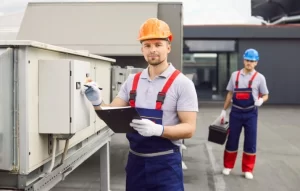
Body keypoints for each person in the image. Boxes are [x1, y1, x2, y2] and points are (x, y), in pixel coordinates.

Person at [84, 18, 198, 190]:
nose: (153, 50)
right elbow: (111, 113)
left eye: (158, 44)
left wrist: (158, 130)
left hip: (166, 166)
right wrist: (97, 102)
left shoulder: (182, 84)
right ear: (142, 49)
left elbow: (189, 129)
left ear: (168, 47)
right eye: (147, 45)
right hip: (136, 163)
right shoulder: (132, 81)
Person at [216, 48, 269, 180]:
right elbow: (229, 93)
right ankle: (228, 166)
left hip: (251, 113)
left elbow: (266, 94)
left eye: (252, 61)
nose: (249, 63)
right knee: (232, 139)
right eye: (247, 60)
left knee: (250, 141)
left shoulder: (260, 78)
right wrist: (224, 110)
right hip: (235, 112)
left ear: (256, 62)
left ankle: (248, 169)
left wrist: (261, 100)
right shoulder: (235, 75)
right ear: (243, 60)